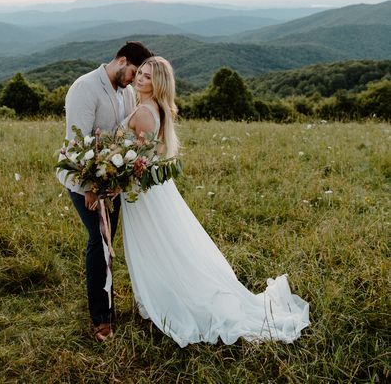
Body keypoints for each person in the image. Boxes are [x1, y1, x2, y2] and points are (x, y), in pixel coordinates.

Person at [121, 56, 310, 347]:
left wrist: (115, 168)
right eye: (140, 74)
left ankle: (174, 299)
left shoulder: (146, 111)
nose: (140, 79)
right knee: (164, 243)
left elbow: (143, 159)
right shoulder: (153, 107)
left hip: (143, 192)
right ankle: (164, 292)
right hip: (150, 190)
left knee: (156, 244)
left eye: (147, 77)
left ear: (158, 83)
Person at [56, 41, 153, 342]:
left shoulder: (124, 91)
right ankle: (100, 319)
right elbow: (78, 143)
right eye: (134, 71)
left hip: (113, 184)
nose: (135, 79)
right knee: (98, 241)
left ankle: (109, 304)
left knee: (109, 243)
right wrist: (90, 188)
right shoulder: (85, 88)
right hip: (84, 182)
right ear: (121, 60)